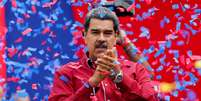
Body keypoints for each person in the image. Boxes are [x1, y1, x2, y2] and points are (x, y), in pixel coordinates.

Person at [49, 7, 158, 101]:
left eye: (107, 33)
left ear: (116, 37)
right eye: (95, 32)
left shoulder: (136, 69)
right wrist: (92, 83)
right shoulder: (65, 73)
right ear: (84, 35)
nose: (101, 39)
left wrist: (119, 77)